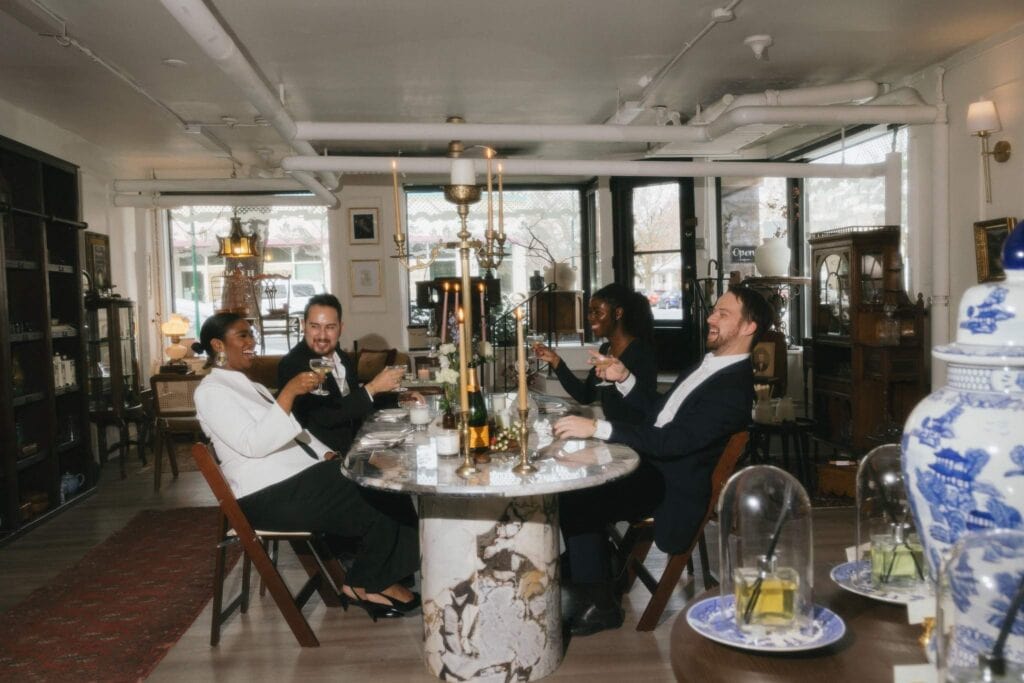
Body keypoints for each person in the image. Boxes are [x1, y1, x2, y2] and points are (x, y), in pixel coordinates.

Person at [552, 285, 773, 635]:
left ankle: (600, 606)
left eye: (723, 314)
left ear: (749, 327)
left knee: (577, 496)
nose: (711, 319)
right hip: (653, 464)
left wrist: (597, 427)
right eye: (714, 311)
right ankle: (589, 572)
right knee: (572, 481)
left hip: (668, 483)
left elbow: (670, 442)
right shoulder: (709, 364)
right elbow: (660, 414)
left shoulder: (733, 390)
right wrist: (624, 378)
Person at [192, 312, 420, 620]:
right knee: (379, 482)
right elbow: (254, 444)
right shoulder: (210, 391)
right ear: (218, 344)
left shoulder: (249, 386)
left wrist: (328, 454)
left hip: (295, 480)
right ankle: (370, 581)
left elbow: (297, 432)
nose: (251, 342)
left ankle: (373, 577)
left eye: (251, 335)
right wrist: (288, 393)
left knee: (388, 473)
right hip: (269, 496)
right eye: (242, 335)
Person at [278, 293, 408, 455]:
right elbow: (324, 416)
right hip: (323, 458)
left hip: (357, 446)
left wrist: (401, 398)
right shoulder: (293, 364)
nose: (322, 335)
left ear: (341, 328)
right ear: (303, 325)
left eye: (330, 327)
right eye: (314, 326)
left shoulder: (342, 357)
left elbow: (353, 400)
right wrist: (373, 387)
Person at [533, 283, 657, 426]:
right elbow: (585, 395)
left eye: (597, 312)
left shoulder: (641, 352)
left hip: (635, 440)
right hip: (614, 436)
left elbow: (647, 405)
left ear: (618, 313)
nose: (590, 318)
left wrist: (623, 378)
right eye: (589, 312)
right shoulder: (605, 349)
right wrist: (555, 360)